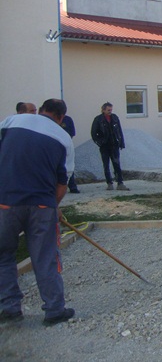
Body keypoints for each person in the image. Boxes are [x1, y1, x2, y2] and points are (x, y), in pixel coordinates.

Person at [0, 98, 76, 326]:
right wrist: (53, 206)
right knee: (44, 258)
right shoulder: (63, 138)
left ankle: (10, 308)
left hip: (6, 203)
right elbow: (62, 183)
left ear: (41, 110)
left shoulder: (11, 122)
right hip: (41, 206)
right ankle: (54, 311)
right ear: (61, 117)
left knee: (3, 256)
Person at [90, 102, 129, 191]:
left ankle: (120, 183)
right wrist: (100, 142)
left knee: (117, 164)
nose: (110, 111)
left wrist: (121, 143)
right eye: (108, 110)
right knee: (106, 165)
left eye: (111, 110)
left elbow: (119, 131)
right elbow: (93, 133)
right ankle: (109, 183)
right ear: (103, 110)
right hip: (104, 146)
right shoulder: (98, 119)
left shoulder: (115, 118)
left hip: (114, 145)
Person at [61, 114, 80, 193]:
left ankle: (72, 186)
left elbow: (72, 133)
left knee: (69, 166)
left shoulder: (68, 119)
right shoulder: (52, 119)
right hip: (55, 146)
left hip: (66, 146)